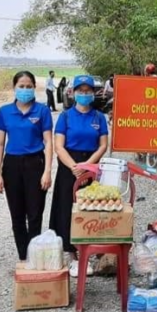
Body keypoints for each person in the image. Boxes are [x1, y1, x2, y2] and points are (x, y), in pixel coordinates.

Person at [50, 75, 108, 277]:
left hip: (91, 165)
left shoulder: (99, 117)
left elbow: (103, 145)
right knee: (67, 207)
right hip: (69, 165)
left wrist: (89, 165)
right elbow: (58, 145)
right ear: (73, 93)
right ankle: (71, 255)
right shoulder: (65, 116)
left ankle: (89, 250)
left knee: (91, 209)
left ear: (94, 93)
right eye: (80, 91)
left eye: (88, 91)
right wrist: (74, 166)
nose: (84, 94)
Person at [0, 71, 53, 261]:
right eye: (21, 86)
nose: (25, 90)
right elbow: (0, 144)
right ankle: (23, 255)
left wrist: (47, 172)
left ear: (34, 87)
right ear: (14, 88)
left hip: (35, 163)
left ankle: (35, 254)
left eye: (29, 86)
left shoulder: (42, 111)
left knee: (35, 213)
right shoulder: (4, 112)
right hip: (12, 165)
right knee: (17, 213)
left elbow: (49, 142)